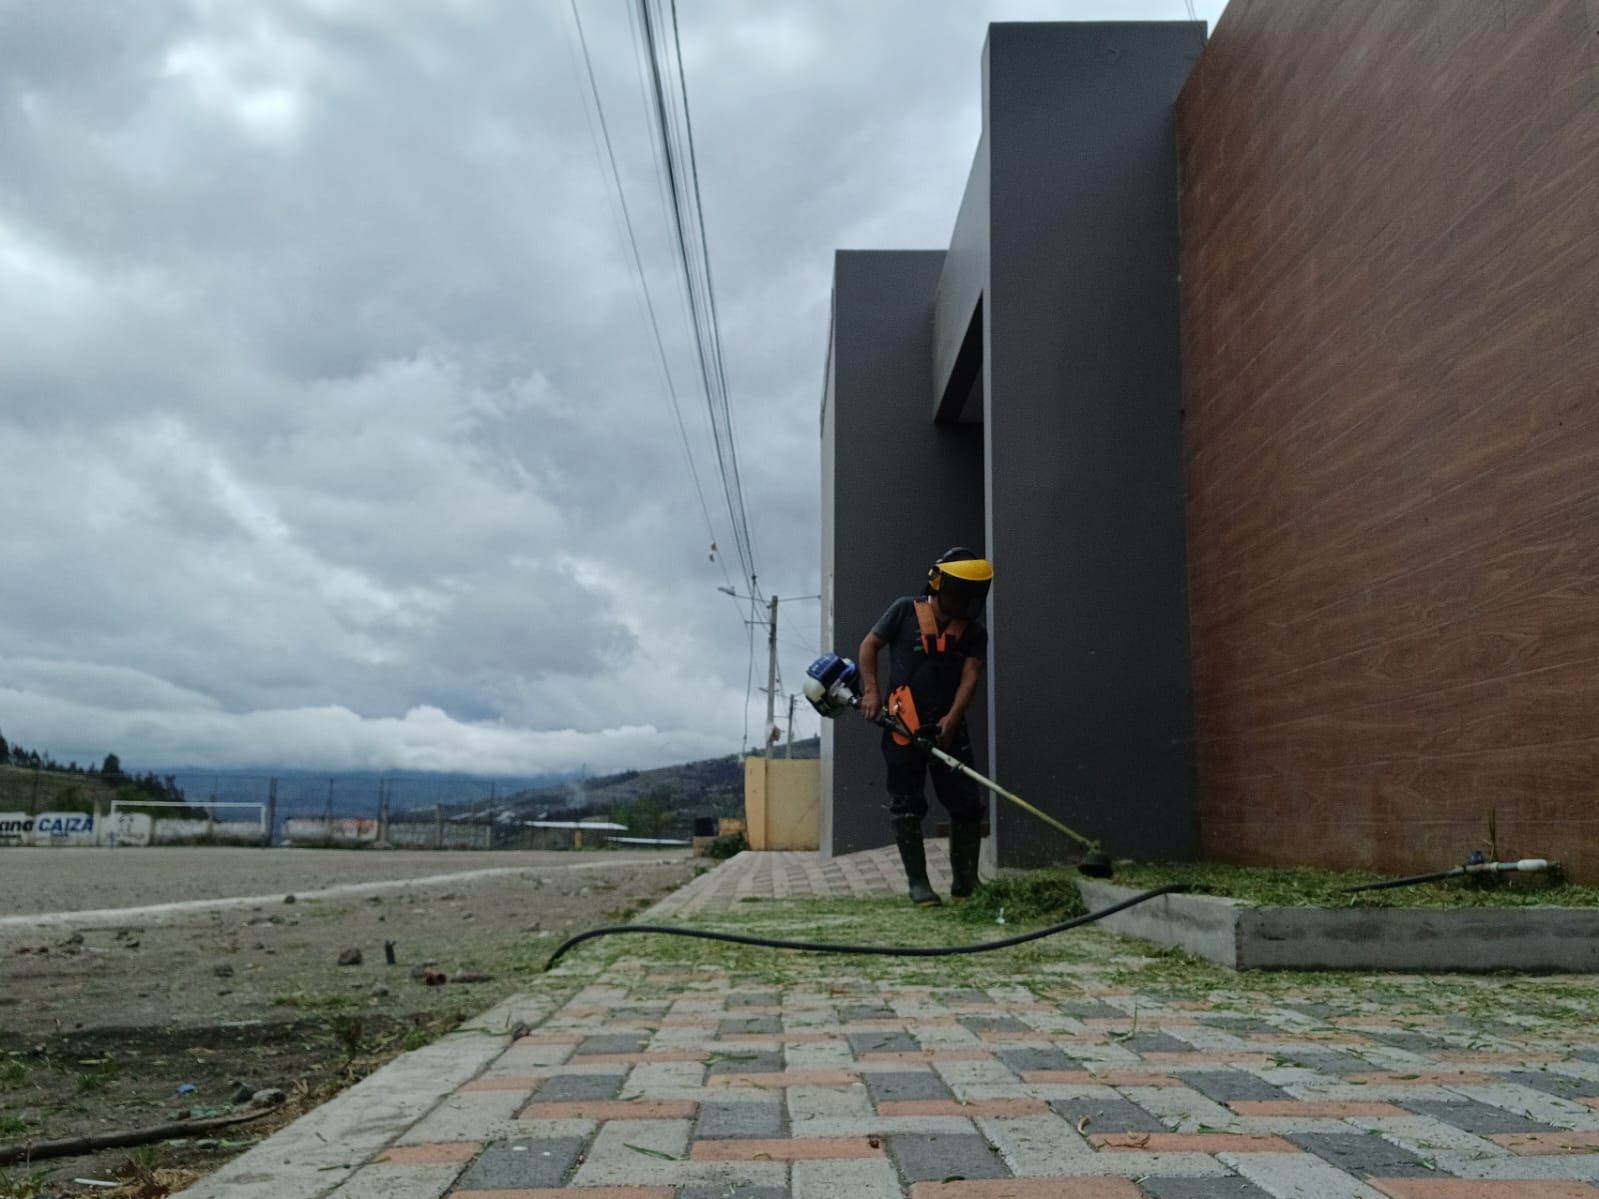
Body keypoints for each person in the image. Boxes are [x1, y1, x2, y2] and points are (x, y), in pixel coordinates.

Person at [858, 547, 993, 905]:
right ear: (940, 584)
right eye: (960, 593)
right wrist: (871, 692)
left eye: (972, 596)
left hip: (948, 726)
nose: (966, 602)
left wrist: (953, 718)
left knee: (966, 802)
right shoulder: (904, 610)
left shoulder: (974, 632)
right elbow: (869, 645)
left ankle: (966, 883)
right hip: (903, 723)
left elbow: (971, 674)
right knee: (907, 802)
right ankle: (919, 884)